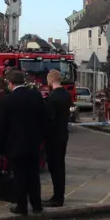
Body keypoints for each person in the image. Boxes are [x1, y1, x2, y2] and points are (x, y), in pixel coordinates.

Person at [0, 70, 46, 216]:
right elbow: (43, 119)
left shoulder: (6, 101)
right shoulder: (36, 96)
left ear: (10, 84)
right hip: (33, 144)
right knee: (33, 176)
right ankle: (37, 205)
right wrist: (40, 138)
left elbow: (1, 127)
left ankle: (21, 206)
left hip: (15, 145)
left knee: (19, 177)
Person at [43, 69, 73, 207]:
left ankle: (57, 198)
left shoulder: (52, 98)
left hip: (53, 138)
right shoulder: (66, 96)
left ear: (50, 81)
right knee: (60, 166)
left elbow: (49, 121)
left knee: (54, 168)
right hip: (63, 135)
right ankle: (59, 195)